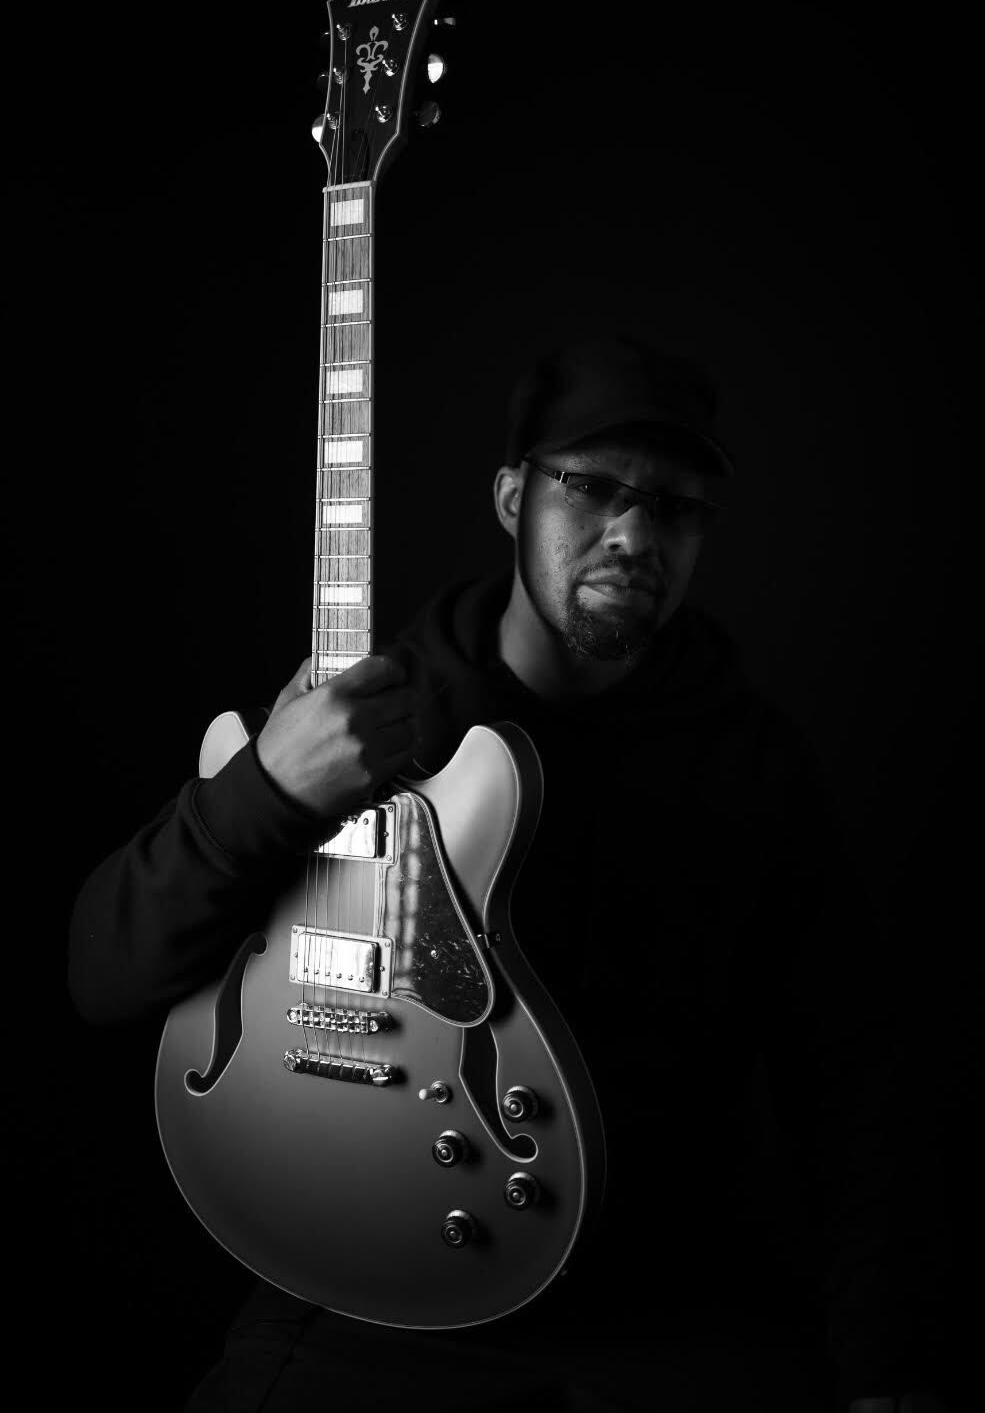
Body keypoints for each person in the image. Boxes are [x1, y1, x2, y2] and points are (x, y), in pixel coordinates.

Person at [69, 337, 949, 1412]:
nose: (633, 532)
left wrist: (886, 1368)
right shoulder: (362, 722)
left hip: (665, 1299)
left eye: (674, 507)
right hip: (368, 1287)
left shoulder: (753, 764)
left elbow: (852, 1075)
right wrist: (268, 788)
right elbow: (101, 972)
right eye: (591, 488)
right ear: (509, 497)